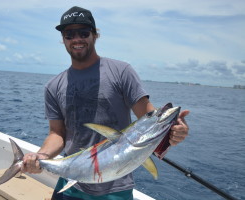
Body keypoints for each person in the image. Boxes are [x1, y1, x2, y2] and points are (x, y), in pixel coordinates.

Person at [22, 6, 189, 200]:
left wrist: (174, 131)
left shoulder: (121, 72)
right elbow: (57, 133)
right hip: (71, 182)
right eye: (69, 34)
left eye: (83, 32)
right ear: (63, 39)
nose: (76, 39)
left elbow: (149, 118)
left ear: (95, 35)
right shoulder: (53, 86)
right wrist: (41, 156)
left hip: (115, 188)